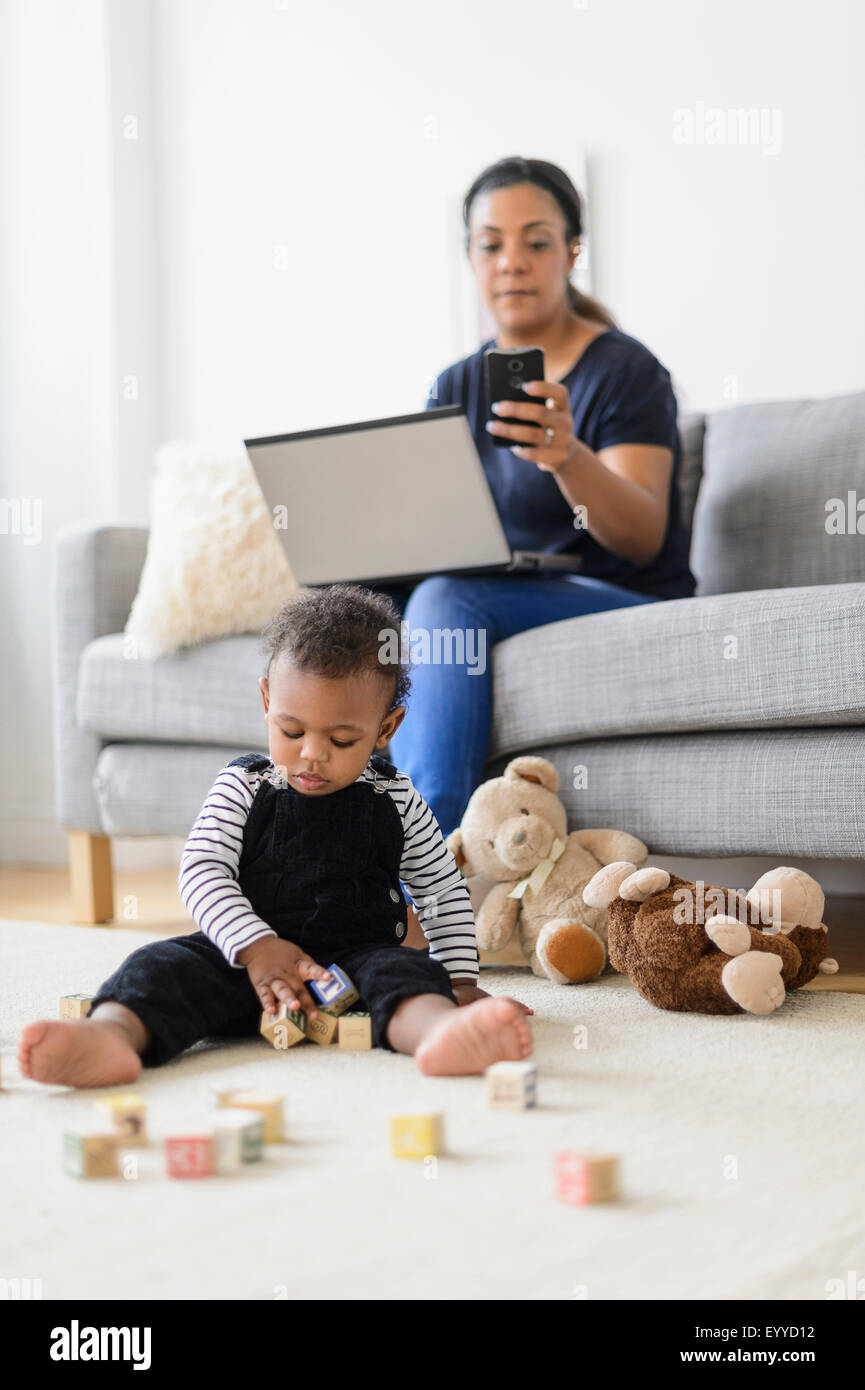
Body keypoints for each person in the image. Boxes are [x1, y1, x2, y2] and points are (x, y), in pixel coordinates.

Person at [18, 586, 533, 1088]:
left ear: (386, 729)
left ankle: (439, 1033)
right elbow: (201, 869)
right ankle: (109, 1036)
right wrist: (257, 946)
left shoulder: (396, 797)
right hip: (243, 962)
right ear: (267, 700)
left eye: (341, 739)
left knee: (407, 976)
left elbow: (439, 889)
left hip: (356, 966)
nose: (312, 753)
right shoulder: (244, 785)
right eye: (292, 731)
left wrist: (460, 980)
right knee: (157, 966)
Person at [379, 156, 697, 840]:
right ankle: (326, 855)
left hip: (619, 590)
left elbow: (642, 537)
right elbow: (439, 531)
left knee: (444, 601)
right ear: (469, 256)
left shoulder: (624, 370)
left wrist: (567, 457)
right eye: (490, 244)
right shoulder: (454, 385)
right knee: (363, 613)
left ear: (572, 251)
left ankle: (418, 877)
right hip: (503, 589)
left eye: (536, 241)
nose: (511, 262)